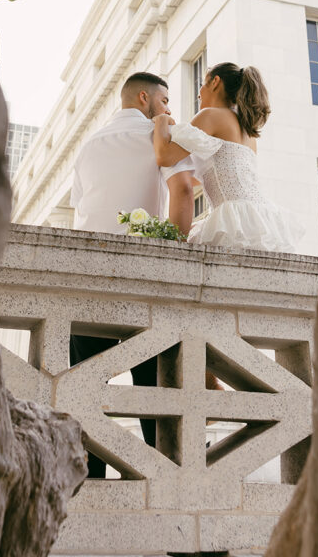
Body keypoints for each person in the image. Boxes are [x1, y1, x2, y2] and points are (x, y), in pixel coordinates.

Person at [70, 71, 195, 477]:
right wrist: (174, 253)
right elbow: (182, 193)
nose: (169, 110)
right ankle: (158, 474)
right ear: (144, 98)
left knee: (86, 379)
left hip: (87, 272)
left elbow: (83, 210)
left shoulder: (88, 146)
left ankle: (88, 475)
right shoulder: (159, 135)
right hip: (143, 271)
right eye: (165, 101)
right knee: (154, 379)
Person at [153, 62, 304, 252]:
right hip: (259, 218)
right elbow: (218, 175)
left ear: (215, 82)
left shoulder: (210, 116)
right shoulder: (248, 131)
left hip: (235, 218)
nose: (199, 92)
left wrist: (161, 121)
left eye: (203, 82)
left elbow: (164, 156)